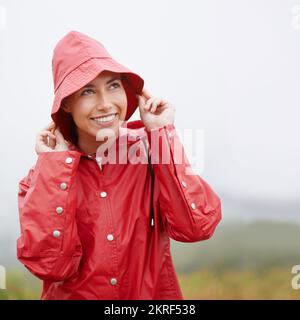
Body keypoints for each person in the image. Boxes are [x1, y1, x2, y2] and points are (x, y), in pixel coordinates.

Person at [16, 31, 222, 300]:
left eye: (113, 86)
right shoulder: (42, 177)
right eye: (88, 91)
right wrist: (55, 168)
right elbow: (50, 265)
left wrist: (163, 135)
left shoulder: (150, 152)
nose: (105, 104)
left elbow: (196, 228)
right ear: (66, 103)